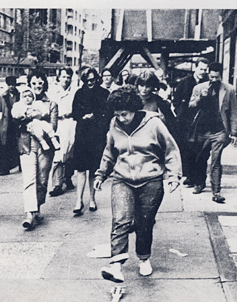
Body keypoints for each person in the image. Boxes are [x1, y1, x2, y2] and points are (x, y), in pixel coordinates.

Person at [94, 86, 182, 282]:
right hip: (122, 179)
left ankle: (143, 258)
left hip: (151, 181)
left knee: (144, 223)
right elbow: (109, 152)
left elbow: (170, 150)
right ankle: (115, 266)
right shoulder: (114, 124)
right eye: (117, 115)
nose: (121, 118)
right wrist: (100, 174)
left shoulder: (154, 123)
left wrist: (174, 176)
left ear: (134, 108)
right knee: (120, 219)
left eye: (124, 114)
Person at [13, 69, 58, 230]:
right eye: (34, 83)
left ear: (44, 84)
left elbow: (53, 126)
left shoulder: (51, 104)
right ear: (29, 84)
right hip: (26, 144)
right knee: (29, 180)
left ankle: (37, 207)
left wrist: (37, 117)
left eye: (40, 83)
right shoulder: (20, 103)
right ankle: (29, 214)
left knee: (42, 181)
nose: (37, 86)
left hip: (44, 145)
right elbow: (16, 123)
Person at [188, 62, 237, 203]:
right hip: (201, 130)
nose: (214, 80)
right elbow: (190, 106)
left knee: (215, 161)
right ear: (208, 74)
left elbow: (234, 112)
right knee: (200, 158)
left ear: (221, 75)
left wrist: (233, 132)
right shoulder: (199, 88)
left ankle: (216, 191)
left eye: (217, 77)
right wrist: (200, 97)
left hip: (219, 130)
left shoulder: (229, 89)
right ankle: (200, 183)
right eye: (212, 77)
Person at [71, 68, 111, 216]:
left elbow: (108, 114)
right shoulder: (79, 93)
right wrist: (83, 116)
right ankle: (78, 200)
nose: (90, 82)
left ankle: (92, 199)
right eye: (88, 80)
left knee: (94, 169)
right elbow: (74, 113)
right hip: (82, 134)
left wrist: (95, 117)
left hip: (97, 135)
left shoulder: (104, 93)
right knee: (81, 169)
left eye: (93, 80)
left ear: (96, 79)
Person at [172, 57, 209, 187]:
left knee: (200, 151)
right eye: (200, 69)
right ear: (195, 68)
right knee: (187, 150)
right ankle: (190, 175)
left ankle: (200, 179)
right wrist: (180, 112)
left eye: (205, 69)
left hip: (201, 121)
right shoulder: (185, 82)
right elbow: (176, 101)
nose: (203, 72)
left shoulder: (208, 83)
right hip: (186, 121)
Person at [48, 68, 78, 197]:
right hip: (58, 123)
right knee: (58, 155)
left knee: (70, 153)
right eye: (63, 76)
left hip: (71, 123)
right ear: (58, 77)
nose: (66, 79)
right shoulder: (52, 92)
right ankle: (57, 184)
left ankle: (68, 177)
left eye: (68, 77)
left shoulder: (75, 91)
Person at [12, 87, 60, 152]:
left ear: (33, 97)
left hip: (38, 122)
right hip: (30, 125)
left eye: (29, 96)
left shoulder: (37, 103)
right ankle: (43, 142)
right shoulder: (20, 106)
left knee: (46, 125)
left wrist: (40, 113)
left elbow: (45, 111)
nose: (27, 98)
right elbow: (15, 114)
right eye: (25, 96)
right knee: (37, 130)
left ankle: (53, 139)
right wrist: (23, 115)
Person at [135, 70, 177, 135]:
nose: (144, 89)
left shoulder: (160, 102)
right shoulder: (131, 99)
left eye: (147, 86)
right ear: (137, 85)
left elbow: (171, 124)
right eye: (141, 85)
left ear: (153, 86)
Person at [0, 76, 20, 175]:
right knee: (5, 148)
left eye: (13, 84)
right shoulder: (3, 96)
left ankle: (20, 166)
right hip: (6, 125)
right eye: (9, 85)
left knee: (18, 146)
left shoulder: (20, 95)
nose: (11, 87)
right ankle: (5, 169)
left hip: (17, 125)